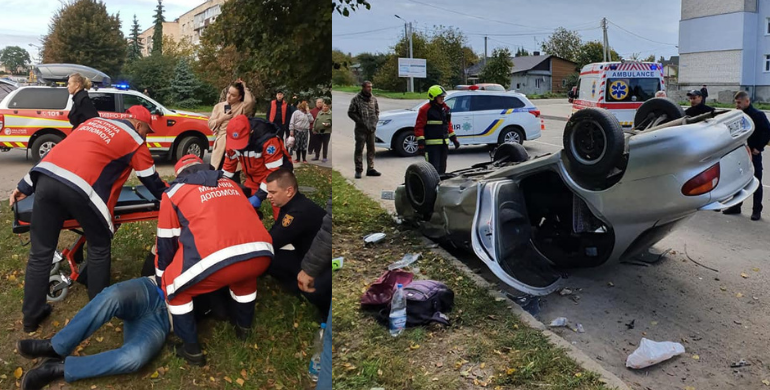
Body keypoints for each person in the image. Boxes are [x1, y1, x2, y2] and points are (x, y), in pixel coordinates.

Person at [9, 105, 167, 333]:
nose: (146, 136)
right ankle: (97, 309)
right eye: (147, 131)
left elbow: (58, 153)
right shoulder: (135, 139)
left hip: (47, 180)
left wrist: (24, 186)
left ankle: (31, 318)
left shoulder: (92, 123)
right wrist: (171, 196)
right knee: (100, 245)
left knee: (40, 253)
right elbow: (149, 178)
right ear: (139, 125)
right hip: (82, 190)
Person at [155, 155, 274, 366]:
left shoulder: (173, 194)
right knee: (244, 278)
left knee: (173, 286)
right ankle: (243, 328)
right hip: (261, 252)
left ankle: (190, 350)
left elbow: (166, 240)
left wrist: (161, 275)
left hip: (216, 259)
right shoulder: (232, 184)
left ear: (179, 175)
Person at [265, 169, 329, 319]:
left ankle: (320, 308)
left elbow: (272, 241)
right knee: (272, 258)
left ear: (289, 191)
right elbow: (275, 234)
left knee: (315, 291)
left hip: (323, 263)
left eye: (273, 192)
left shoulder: (297, 213)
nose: (268, 196)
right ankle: (296, 286)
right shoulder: (291, 205)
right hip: (308, 255)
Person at [223, 114, 293, 218]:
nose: (238, 147)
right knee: (243, 209)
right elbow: (228, 167)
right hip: (253, 178)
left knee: (282, 212)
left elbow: (275, 171)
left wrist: (260, 195)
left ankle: (283, 232)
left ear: (251, 132)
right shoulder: (232, 140)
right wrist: (222, 184)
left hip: (279, 178)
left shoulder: (269, 141)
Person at [722, 91, 770, 221]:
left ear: (747, 101)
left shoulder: (758, 115)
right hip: (739, 153)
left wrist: (759, 148)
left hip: (753, 153)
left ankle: (756, 210)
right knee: (737, 181)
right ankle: (736, 206)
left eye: (739, 102)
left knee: (756, 181)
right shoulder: (738, 116)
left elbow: (767, 132)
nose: (737, 105)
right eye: (736, 103)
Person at [208, 79, 255, 169]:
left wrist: (245, 87)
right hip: (221, 144)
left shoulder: (242, 107)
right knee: (217, 171)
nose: (229, 96)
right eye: (228, 93)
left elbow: (250, 102)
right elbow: (210, 124)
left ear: (239, 97)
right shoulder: (218, 106)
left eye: (233, 95)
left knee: (233, 174)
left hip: (235, 144)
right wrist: (222, 119)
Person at [415, 85, 460, 174]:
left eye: (443, 97)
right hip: (432, 146)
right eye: (440, 97)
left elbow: (447, 124)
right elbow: (419, 127)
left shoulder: (445, 108)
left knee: (442, 168)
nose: (442, 98)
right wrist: (421, 145)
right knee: (433, 169)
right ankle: (432, 187)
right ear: (433, 97)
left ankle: (441, 185)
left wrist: (454, 138)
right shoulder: (425, 109)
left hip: (444, 144)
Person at [347, 81, 381, 179]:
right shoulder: (356, 99)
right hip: (361, 129)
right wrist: (360, 121)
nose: (370, 89)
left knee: (371, 149)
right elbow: (350, 112)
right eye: (368, 87)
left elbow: (377, 111)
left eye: (371, 87)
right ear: (363, 88)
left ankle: (370, 169)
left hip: (371, 129)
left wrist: (375, 121)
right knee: (359, 149)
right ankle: (358, 170)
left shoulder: (373, 99)